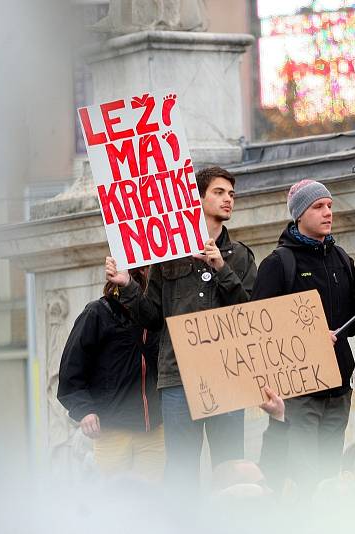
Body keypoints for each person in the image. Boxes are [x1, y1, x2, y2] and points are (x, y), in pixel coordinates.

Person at [105, 166, 257, 490]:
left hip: (228, 375)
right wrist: (127, 285)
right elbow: (151, 317)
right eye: (219, 192)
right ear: (197, 198)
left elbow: (250, 313)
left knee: (230, 471)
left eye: (231, 194)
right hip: (178, 377)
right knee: (181, 472)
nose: (228, 199)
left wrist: (221, 267)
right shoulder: (168, 255)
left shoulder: (241, 256)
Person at [251, 179, 355, 492]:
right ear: (299, 214)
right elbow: (258, 326)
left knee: (329, 475)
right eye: (318, 207)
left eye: (329, 206)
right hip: (299, 391)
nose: (327, 213)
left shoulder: (340, 258)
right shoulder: (278, 263)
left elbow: (352, 325)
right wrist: (309, 338)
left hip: (338, 387)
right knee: (304, 474)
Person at [58, 266, 165, 480]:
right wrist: (84, 410)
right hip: (111, 429)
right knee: (112, 504)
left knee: (153, 504)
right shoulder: (97, 313)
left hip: (154, 428)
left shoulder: (159, 317)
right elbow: (71, 370)